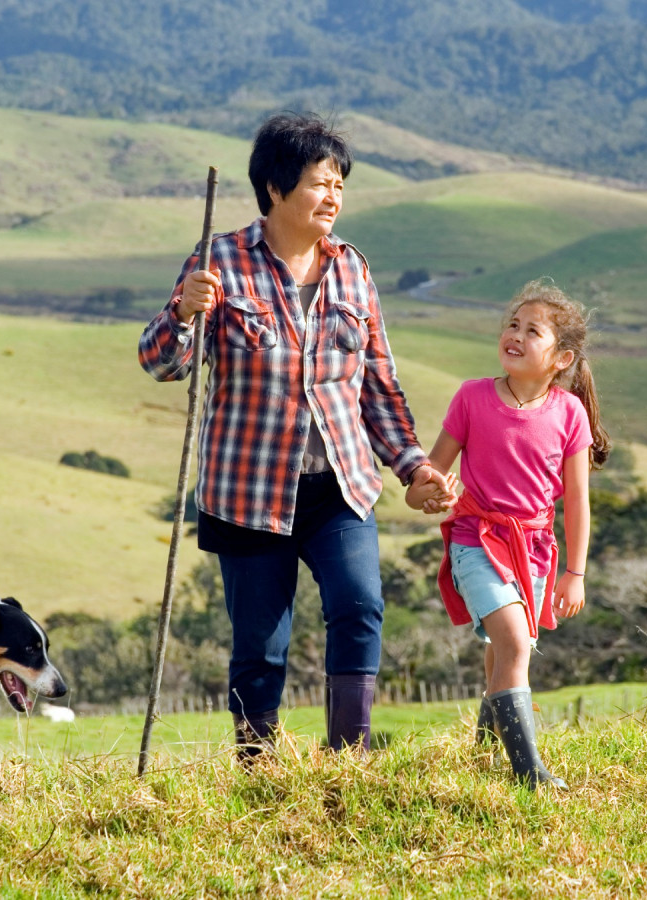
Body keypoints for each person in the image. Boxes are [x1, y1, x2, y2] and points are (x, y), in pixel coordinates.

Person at [137, 112, 452, 758]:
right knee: (261, 644)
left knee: (360, 605)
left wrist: (414, 468)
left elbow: (377, 386)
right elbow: (161, 363)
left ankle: (349, 759)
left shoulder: (352, 271)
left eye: (340, 184)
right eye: (319, 182)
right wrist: (183, 312)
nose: (333, 196)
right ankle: (260, 767)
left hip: (339, 483)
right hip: (248, 491)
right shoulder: (217, 261)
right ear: (276, 189)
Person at [406, 279, 611, 789]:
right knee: (516, 645)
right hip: (475, 539)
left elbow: (578, 501)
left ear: (561, 358)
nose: (515, 335)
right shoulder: (472, 397)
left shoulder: (570, 414)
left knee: (502, 653)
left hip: (535, 551)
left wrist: (575, 573)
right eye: (512, 325)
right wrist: (429, 496)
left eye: (532, 331)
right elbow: (426, 478)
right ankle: (529, 774)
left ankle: (483, 753)